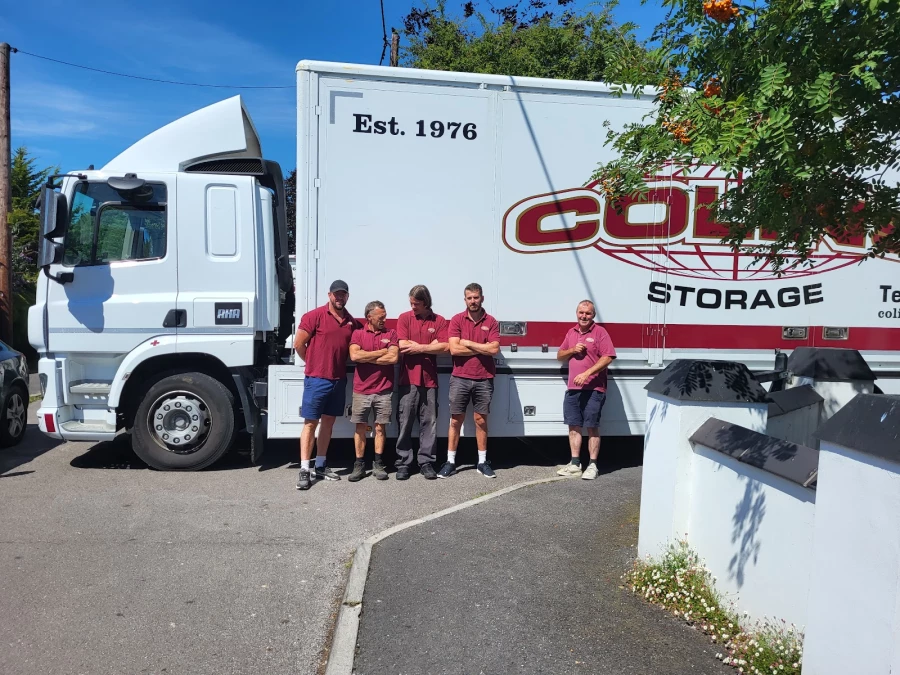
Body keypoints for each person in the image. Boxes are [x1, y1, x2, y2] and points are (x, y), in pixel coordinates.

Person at [293, 280, 360, 490]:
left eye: (343, 294)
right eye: (336, 294)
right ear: (329, 295)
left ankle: (320, 465)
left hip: (338, 380)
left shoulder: (350, 321)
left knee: (328, 424)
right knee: (310, 424)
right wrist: (313, 363)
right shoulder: (314, 316)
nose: (339, 297)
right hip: (317, 380)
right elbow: (298, 344)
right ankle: (305, 469)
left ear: (347, 296)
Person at [438, 282, 500, 479]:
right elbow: (454, 349)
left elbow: (494, 349)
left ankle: (482, 462)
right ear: (465, 300)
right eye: (469, 298)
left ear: (482, 298)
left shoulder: (491, 321)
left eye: (476, 297)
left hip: (484, 378)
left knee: (481, 420)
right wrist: (482, 347)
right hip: (460, 377)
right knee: (456, 420)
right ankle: (450, 462)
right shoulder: (457, 320)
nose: (473, 301)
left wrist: (468, 342)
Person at [555, 300, 617, 480]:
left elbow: (608, 357)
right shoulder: (571, 332)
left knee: (592, 426)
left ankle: (592, 465)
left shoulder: (600, 332)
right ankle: (575, 464)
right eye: (581, 312)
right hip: (573, 389)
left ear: (593, 315)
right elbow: (560, 355)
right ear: (577, 313)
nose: (584, 316)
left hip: (594, 388)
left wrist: (586, 374)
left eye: (588, 313)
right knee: (573, 426)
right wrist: (572, 350)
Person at [395, 285, 449, 480]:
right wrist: (429, 346)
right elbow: (402, 344)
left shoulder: (439, 320)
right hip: (407, 379)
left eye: (416, 303)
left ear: (426, 302)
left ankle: (426, 462)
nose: (412, 306)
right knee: (405, 422)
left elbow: (445, 346)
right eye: (411, 303)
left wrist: (418, 347)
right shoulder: (404, 318)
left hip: (429, 380)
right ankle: (403, 463)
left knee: (429, 423)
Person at [348, 301, 399, 482]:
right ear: (369, 317)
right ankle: (359, 465)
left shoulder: (391, 333)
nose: (384, 319)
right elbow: (355, 355)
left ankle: (378, 464)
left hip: (383, 390)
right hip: (361, 389)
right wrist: (380, 352)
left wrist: (367, 356)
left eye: (385, 316)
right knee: (360, 427)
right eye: (380, 317)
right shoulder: (358, 333)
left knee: (380, 427)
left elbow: (393, 358)